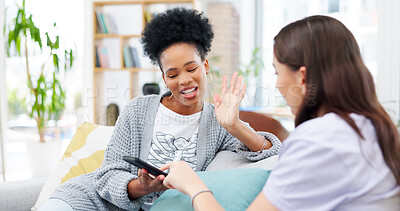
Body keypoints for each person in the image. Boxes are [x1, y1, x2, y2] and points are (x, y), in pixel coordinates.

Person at [40, 8, 281, 211]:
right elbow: (108, 175)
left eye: (191, 68)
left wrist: (234, 125)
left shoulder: (218, 122)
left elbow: (271, 153)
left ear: (205, 65)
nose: (184, 80)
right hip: (91, 201)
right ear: (164, 79)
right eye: (173, 74)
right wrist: (143, 187)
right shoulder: (137, 110)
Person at [160, 15, 400, 211]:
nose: (276, 85)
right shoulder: (377, 127)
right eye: (172, 75)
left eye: (277, 73)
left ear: (302, 77)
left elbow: (269, 150)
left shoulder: (315, 140)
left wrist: (193, 185)